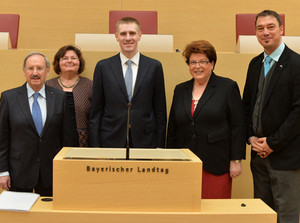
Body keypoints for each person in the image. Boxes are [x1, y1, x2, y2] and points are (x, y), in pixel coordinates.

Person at [167, 40, 246, 199]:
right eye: (193, 62)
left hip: (216, 163)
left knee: (215, 210)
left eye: (203, 61)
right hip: (186, 162)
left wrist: (236, 159)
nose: (197, 66)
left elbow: (238, 126)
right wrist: (170, 158)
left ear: (212, 64)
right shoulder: (180, 89)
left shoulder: (227, 87)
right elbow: (172, 128)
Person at [242, 10, 300, 223]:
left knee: (286, 216)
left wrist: (273, 143)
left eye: (271, 27)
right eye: (260, 28)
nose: (265, 32)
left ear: (282, 29)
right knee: (262, 216)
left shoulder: (296, 64)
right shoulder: (255, 64)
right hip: (258, 157)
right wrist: (250, 137)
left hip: (285, 157)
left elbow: (298, 112)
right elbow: (246, 105)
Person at [0, 52, 78, 196]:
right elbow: (2, 139)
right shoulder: (8, 98)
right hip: (19, 171)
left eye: (39, 68)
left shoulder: (61, 98)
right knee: (20, 217)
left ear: (47, 71)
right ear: (24, 71)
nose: (35, 73)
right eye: (31, 68)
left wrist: (67, 168)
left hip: (51, 172)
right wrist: (2, 171)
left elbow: (68, 138)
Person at [89, 17, 167, 148]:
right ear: (116, 36)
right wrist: (95, 146)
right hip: (110, 139)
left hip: (145, 140)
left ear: (140, 35)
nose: (128, 38)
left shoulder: (154, 66)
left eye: (132, 33)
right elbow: (96, 110)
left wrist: (160, 145)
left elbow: (160, 110)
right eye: (123, 34)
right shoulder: (103, 67)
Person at [46, 45, 93, 147]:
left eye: (73, 58)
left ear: (79, 62)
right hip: (53, 140)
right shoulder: (48, 86)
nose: (69, 61)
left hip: (83, 141)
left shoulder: (90, 85)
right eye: (65, 58)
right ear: (58, 62)